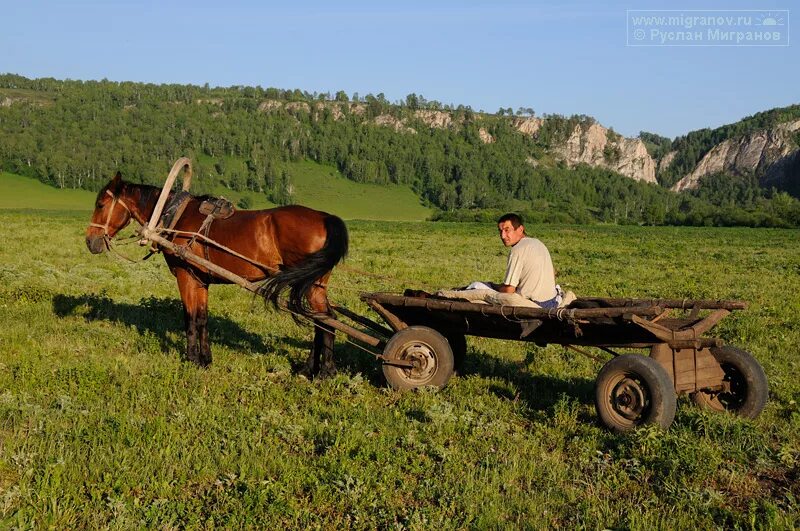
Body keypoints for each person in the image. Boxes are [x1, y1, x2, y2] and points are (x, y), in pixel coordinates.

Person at [457, 213, 572, 308]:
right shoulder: (538, 243)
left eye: (507, 230)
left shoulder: (517, 250)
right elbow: (553, 273)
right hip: (551, 301)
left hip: (536, 304)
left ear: (520, 229)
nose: (502, 236)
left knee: (477, 286)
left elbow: (509, 290)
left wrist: (494, 286)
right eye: (500, 231)